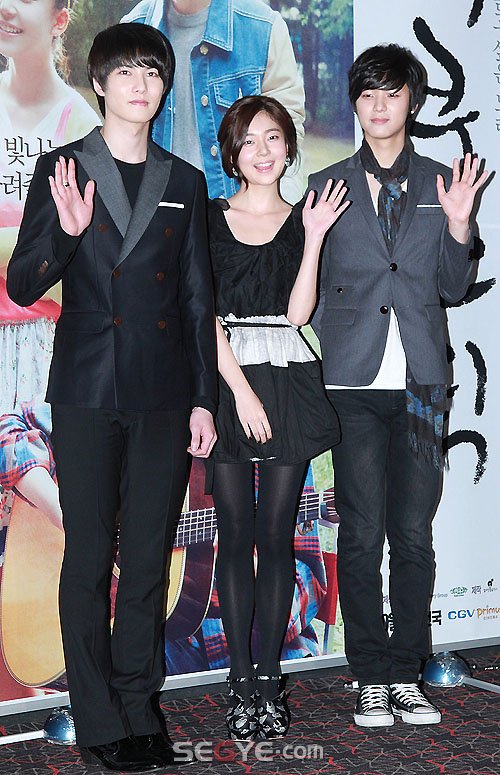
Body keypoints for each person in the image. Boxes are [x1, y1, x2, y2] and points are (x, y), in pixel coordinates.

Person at [7, 22, 217, 771]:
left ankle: (138, 705)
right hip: (88, 388)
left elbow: (197, 302)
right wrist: (66, 236)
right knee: (90, 554)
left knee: (150, 557)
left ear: (164, 87)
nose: (139, 84)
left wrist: (203, 400)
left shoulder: (184, 182)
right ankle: (97, 717)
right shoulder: (63, 169)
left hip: (164, 393)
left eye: (152, 71)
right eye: (124, 70)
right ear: (98, 83)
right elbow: (21, 283)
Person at [309, 44, 488, 728]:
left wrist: (460, 225)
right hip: (351, 381)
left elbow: (452, 287)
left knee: (412, 532)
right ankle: (370, 674)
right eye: (366, 94)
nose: (378, 105)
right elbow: (312, 286)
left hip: (421, 385)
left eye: (391, 92)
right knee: (360, 533)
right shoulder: (326, 185)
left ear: (413, 100)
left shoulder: (443, 181)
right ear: (355, 104)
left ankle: (408, 672)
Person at [208, 94, 348, 740]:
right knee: (234, 535)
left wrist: (313, 237)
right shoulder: (210, 219)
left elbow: (297, 314)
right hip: (230, 378)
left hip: (288, 377)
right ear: (231, 153)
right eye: (248, 140)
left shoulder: (303, 219)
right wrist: (239, 392)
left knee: (276, 535)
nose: (261, 151)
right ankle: (238, 680)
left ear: (289, 147)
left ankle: (269, 677)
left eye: (272, 138)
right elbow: (201, 313)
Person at [0, 0, 100, 413]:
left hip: (45, 338)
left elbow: (84, 247)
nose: (7, 8)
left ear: (60, 20)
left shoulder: (82, 125)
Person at [121, 0, 305, 203]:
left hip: (239, 214)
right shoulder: (132, 28)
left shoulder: (263, 27)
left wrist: (277, 212)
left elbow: (288, 138)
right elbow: (122, 140)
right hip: (160, 213)